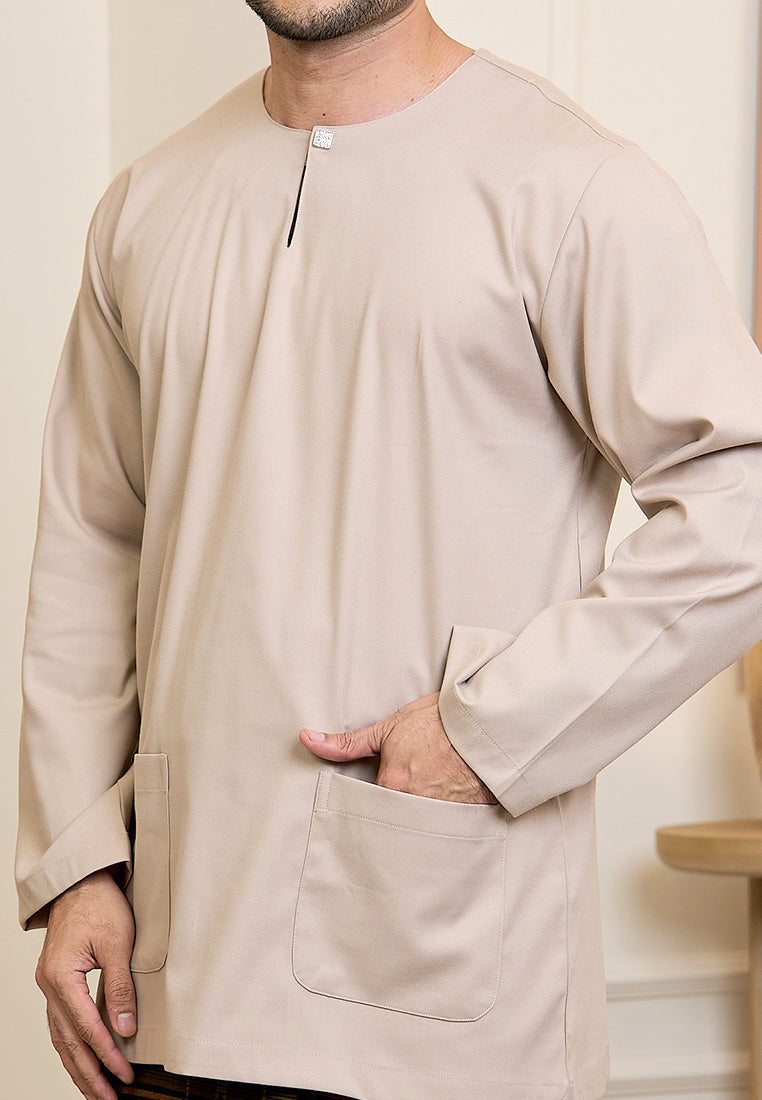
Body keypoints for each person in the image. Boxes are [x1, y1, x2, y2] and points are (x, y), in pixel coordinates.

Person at [15, 2, 762, 1099]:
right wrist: (79, 862)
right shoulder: (146, 203)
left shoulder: (570, 185)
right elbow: (90, 550)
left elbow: (742, 499)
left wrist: (485, 728)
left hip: (447, 1003)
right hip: (173, 991)